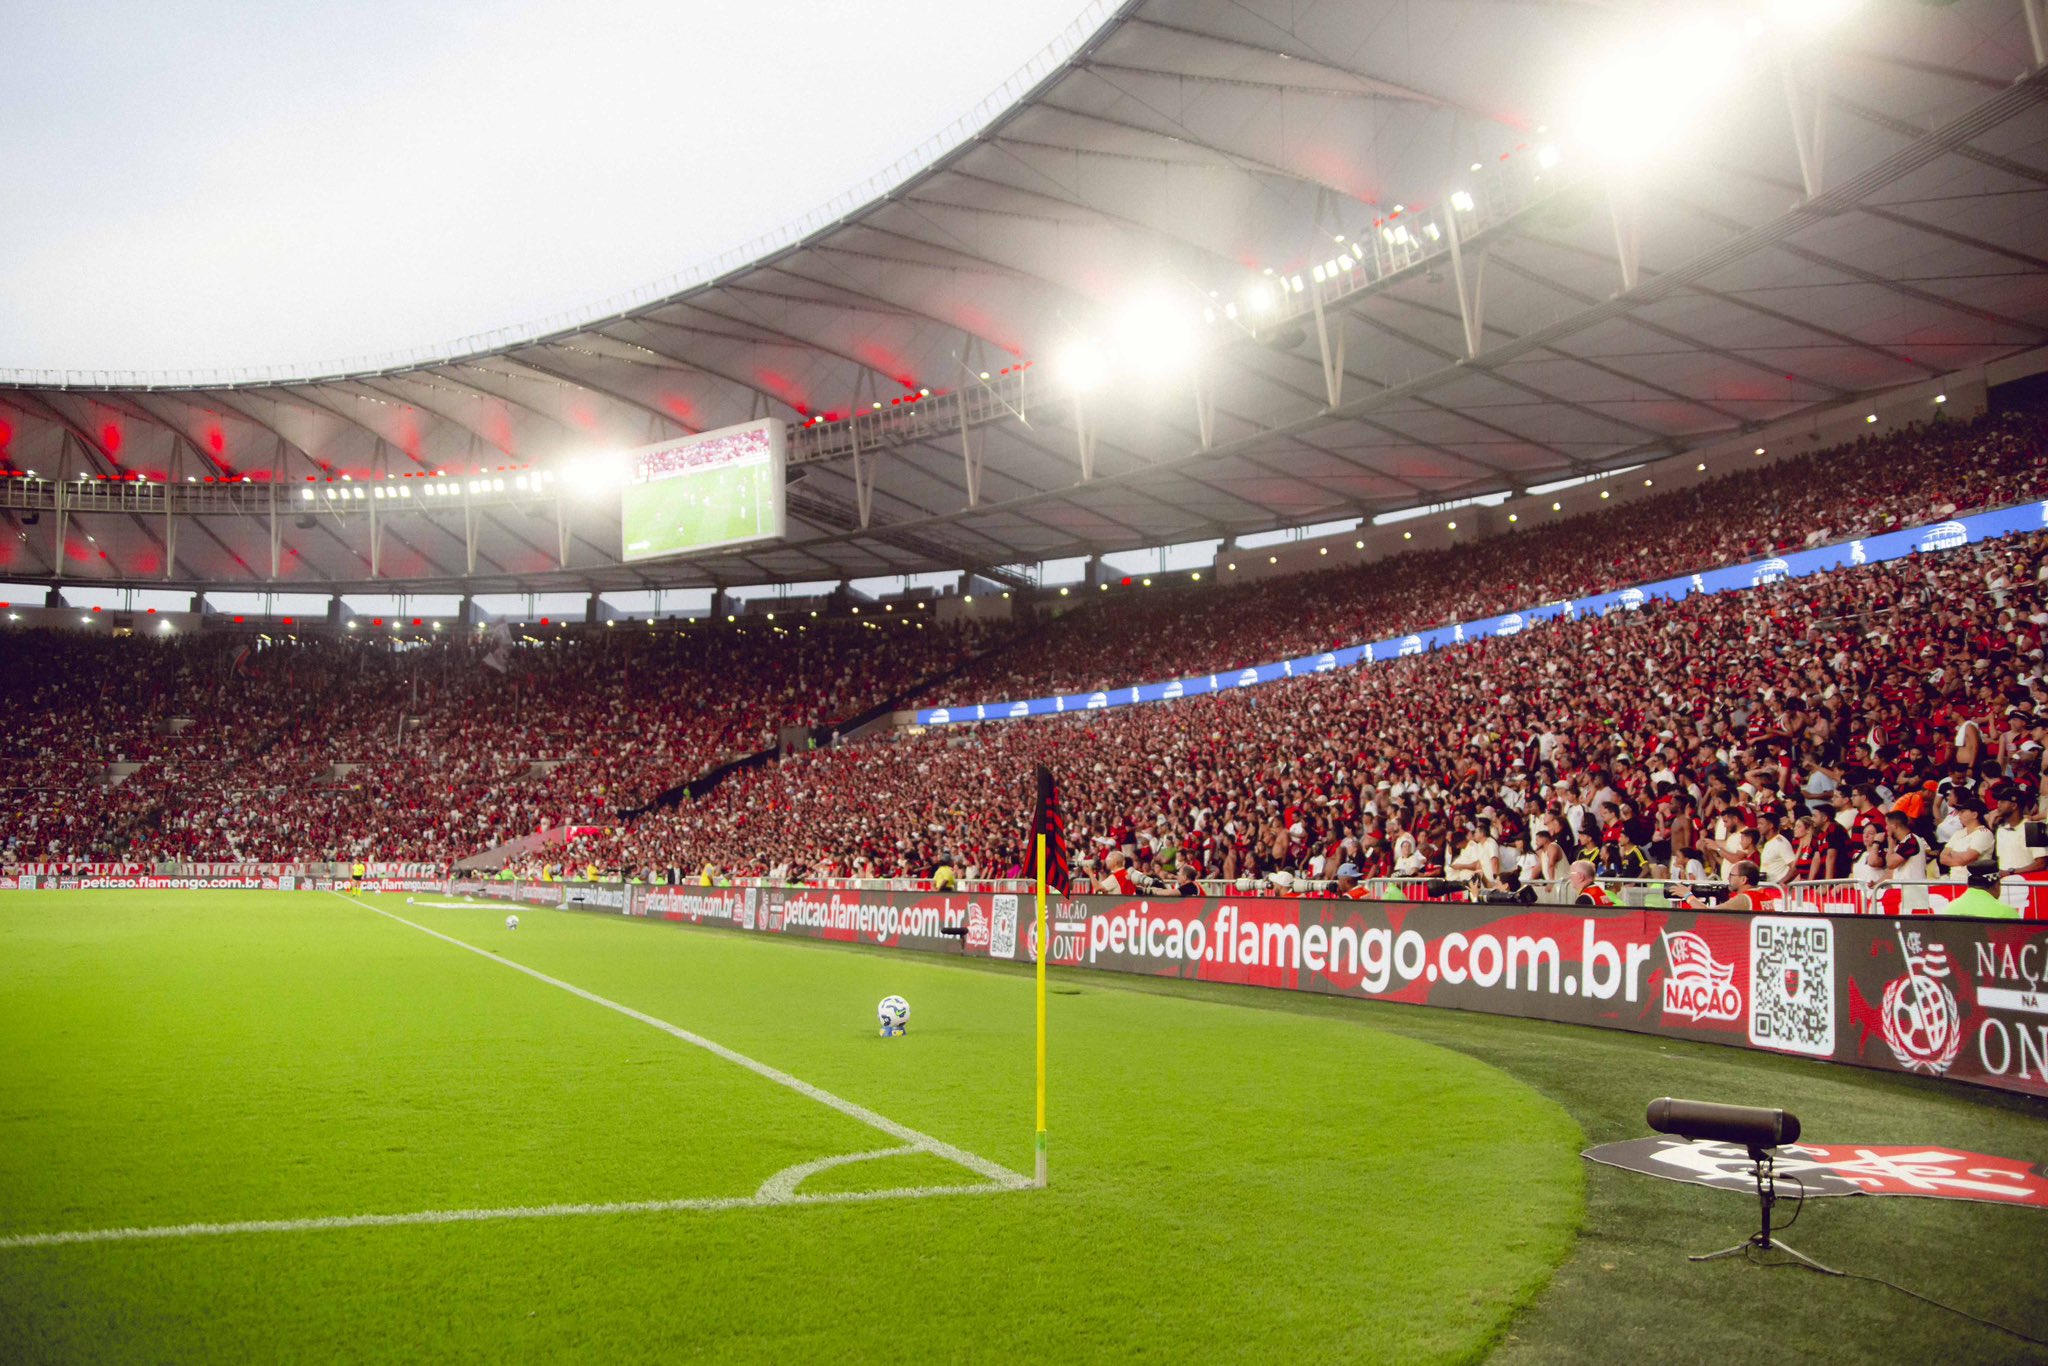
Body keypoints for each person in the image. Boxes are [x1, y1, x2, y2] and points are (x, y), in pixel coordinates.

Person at [1939, 796, 1996, 884]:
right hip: (1955, 881)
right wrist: (1961, 858)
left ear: (1974, 815)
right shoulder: (1958, 833)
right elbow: (1942, 858)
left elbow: (1967, 858)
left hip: (1976, 883)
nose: (1959, 814)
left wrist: (1953, 853)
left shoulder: (1984, 833)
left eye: (1963, 811)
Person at [1680, 860, 1768, 911]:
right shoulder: (1764, 895)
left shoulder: (1744, 899)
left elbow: (1709, 914)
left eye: (1731, 875)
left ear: (1743, 880)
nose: (1728, 878)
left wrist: (1688, 895)